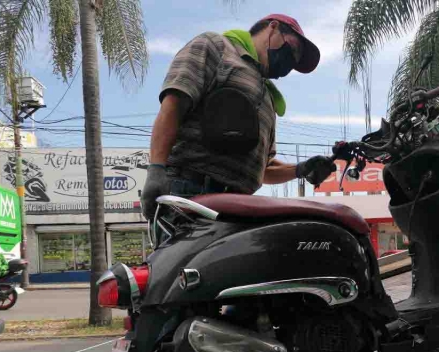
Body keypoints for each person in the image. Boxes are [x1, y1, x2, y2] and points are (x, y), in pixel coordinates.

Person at [140, 14, 337, 219]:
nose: (292, 61)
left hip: (238, 206)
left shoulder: (268, 98)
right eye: (294, 49)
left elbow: (264, 170)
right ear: (273, 27)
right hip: (190, 192)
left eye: (296, 61)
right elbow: (173, 106)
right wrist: (156, 169)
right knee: (187, 253)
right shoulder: (216, 47)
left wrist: (300, 169)